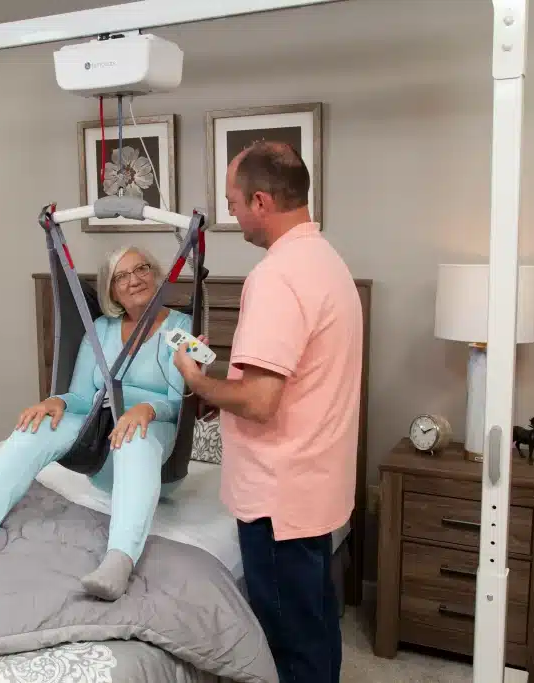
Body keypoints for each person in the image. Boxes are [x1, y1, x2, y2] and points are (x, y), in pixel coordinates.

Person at [0, 245, 193, 601]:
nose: (134, 280)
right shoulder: (101, 330)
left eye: (142, 269)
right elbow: (81, 397)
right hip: (100, 450)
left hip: (154, 451)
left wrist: (149, 409)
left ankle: (119, 559)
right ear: (111, 291)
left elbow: (182, 401)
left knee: (134, 436)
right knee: (34, 426)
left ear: (156, 275)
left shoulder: (181, 327)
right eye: (122, 276)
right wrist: (55, 402)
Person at [173, 140, 363, 683]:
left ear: (260, 201)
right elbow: (287, 381)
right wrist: (221, 397)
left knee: (287, 645)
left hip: (278, 500)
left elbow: (259, 401)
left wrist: (198, 381)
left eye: (233, 204)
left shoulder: (276, 277)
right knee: (316, 625)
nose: (233, 216)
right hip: (314, 487)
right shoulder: (326, 262)